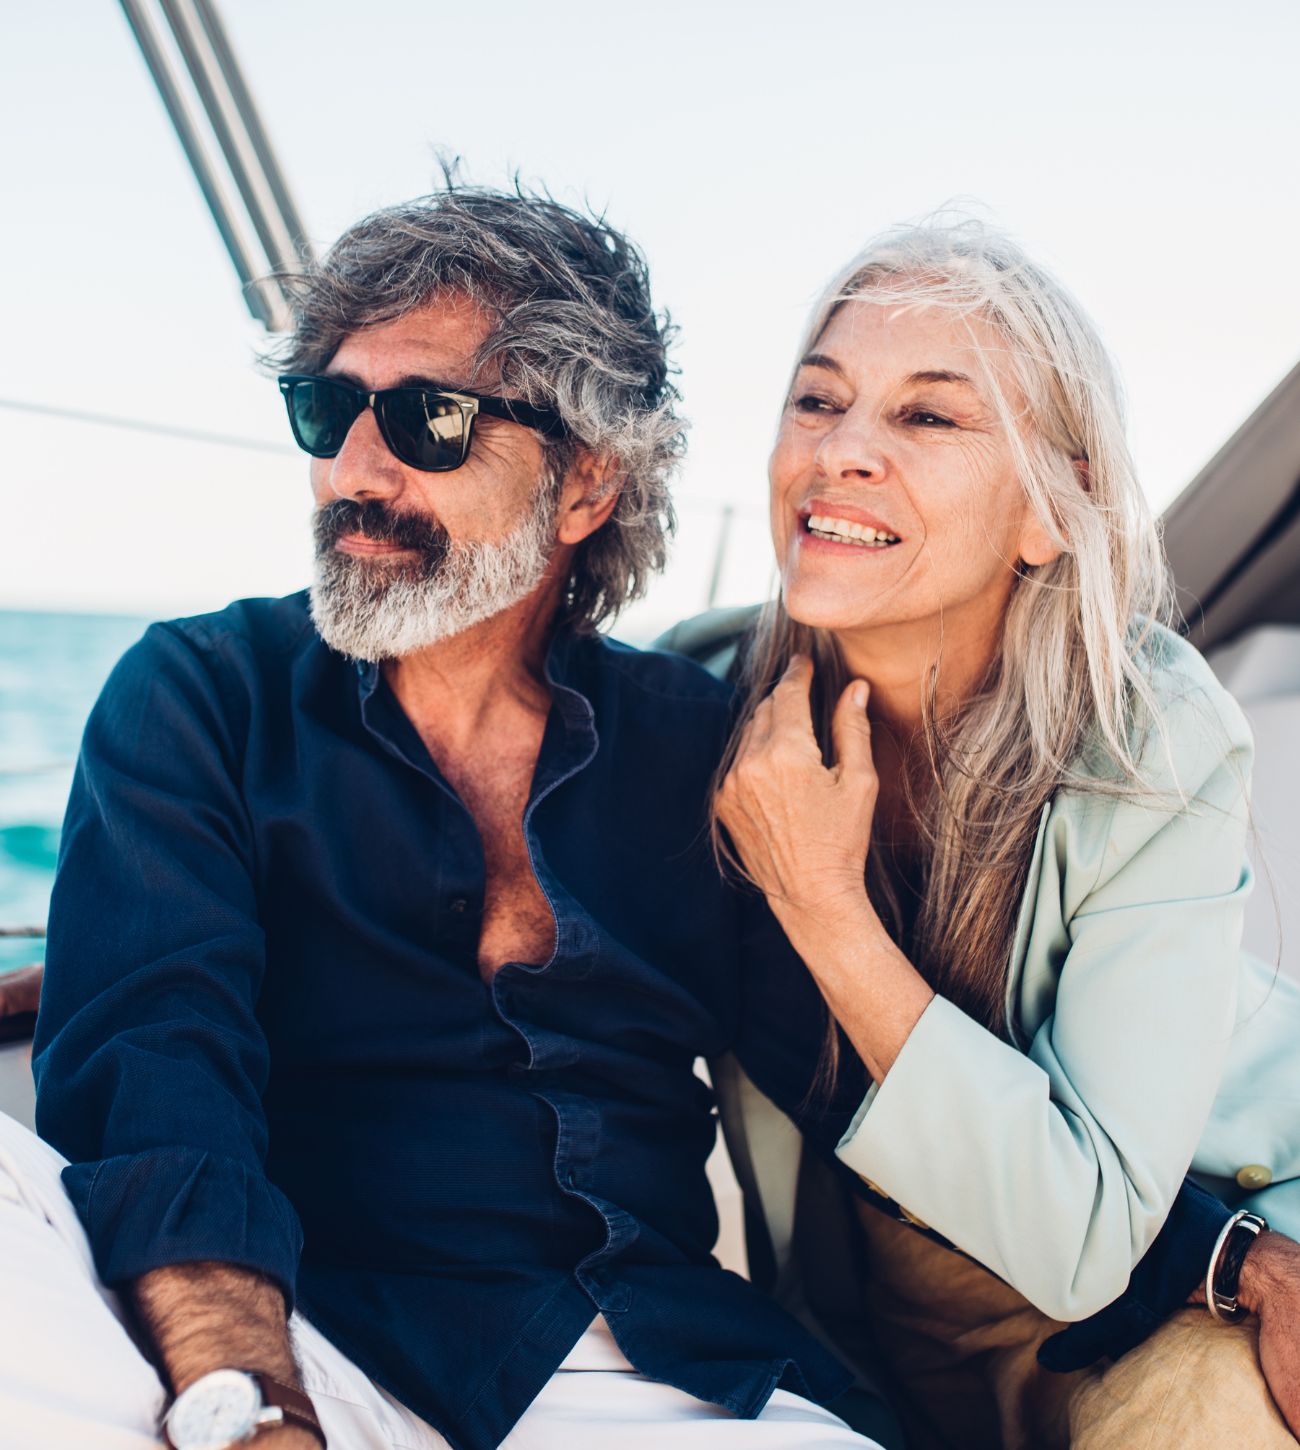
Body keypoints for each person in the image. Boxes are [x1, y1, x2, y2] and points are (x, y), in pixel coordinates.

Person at [0, 185, 884, 1450]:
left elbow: (865, 1086)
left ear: (584, 487)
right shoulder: (202, 694)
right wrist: (250, 1405)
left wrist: (1221, 1256)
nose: (353, 471)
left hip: (635, 1377)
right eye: (326, 406)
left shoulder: (700, 752)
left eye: (430, 419)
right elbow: (156, 1065)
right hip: (293, 1343)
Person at [712, 219, 1300, 1448]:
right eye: (817, 400)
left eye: (927, 418)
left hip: (1226, 1229)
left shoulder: (1145, 731)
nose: (843, 450)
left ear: (1049, 515)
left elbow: (1087, 1236)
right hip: (903, 1301)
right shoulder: (693, 703)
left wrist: (825, 907)